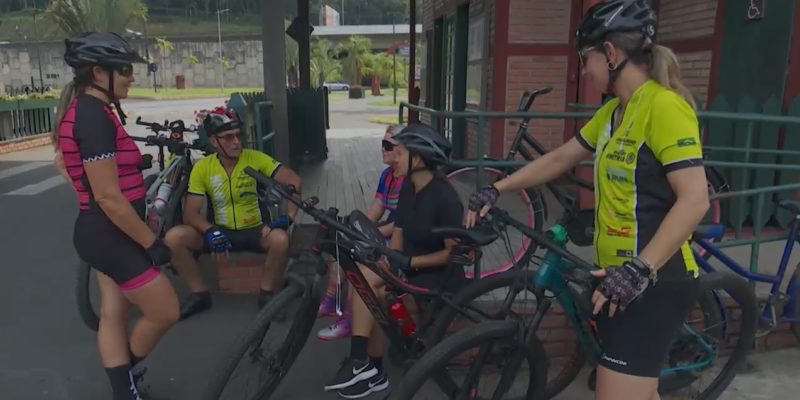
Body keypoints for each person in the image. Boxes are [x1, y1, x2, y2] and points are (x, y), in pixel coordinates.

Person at [466, 1, 710, 399]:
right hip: (615, 278)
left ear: (611, 53)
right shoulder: (614, 111)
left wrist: (638, 269)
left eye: (587, 60)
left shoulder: (664, 107)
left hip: (653, 281)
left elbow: (695, 200)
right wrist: (499, 187)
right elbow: (561, 157)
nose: (585, 71)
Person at [53, 32, 178, 400]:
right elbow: (107, 196)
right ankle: (130, 375)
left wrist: (124, 167)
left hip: (104, 230)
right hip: (111, 234)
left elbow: (67, 163)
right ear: (97, 72)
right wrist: (151, 243)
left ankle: (124, 390)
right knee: (165, 310)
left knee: (114, 313)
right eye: (123, 69)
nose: (130, 76)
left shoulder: (90, 109)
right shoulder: (93, 116)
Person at [324, 123, 465, 399]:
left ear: (419, 158)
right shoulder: (409, 188)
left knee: (369, 286)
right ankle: (370, 368)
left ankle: (364, 364)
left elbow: (454, 253)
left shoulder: (445, 198)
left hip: (437, 274)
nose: (393, 158)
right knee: (365, 281)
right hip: (408, 264)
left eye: (399, 153)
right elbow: (398, 231)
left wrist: (408, 262)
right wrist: (391, 262)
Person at [164, 107, 302, 321]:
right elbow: (190, 213)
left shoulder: (255, 158)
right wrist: (210, 231)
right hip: (219, 231)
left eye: (239, 135)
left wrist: (288, 218)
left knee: (281, 239)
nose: (236, 142)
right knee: (174, 238)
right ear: (213, 141)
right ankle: (199, 293)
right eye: (228, 137)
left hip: (257, 229)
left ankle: (267, 294)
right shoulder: (203, 168)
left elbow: (294, 181)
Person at [316, 124, 407, 341]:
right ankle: (332, 297)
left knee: (358, 256)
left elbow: (401, 224)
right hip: (387, 229)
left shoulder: (408, 178)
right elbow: (377, 208)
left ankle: (349, 317)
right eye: (382, 144)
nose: (383, 149)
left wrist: (366, 231)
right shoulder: (388, 175)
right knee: (342, 237)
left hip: (398, 235)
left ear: (403, 149)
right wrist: (357, 226)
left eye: (388, 145)